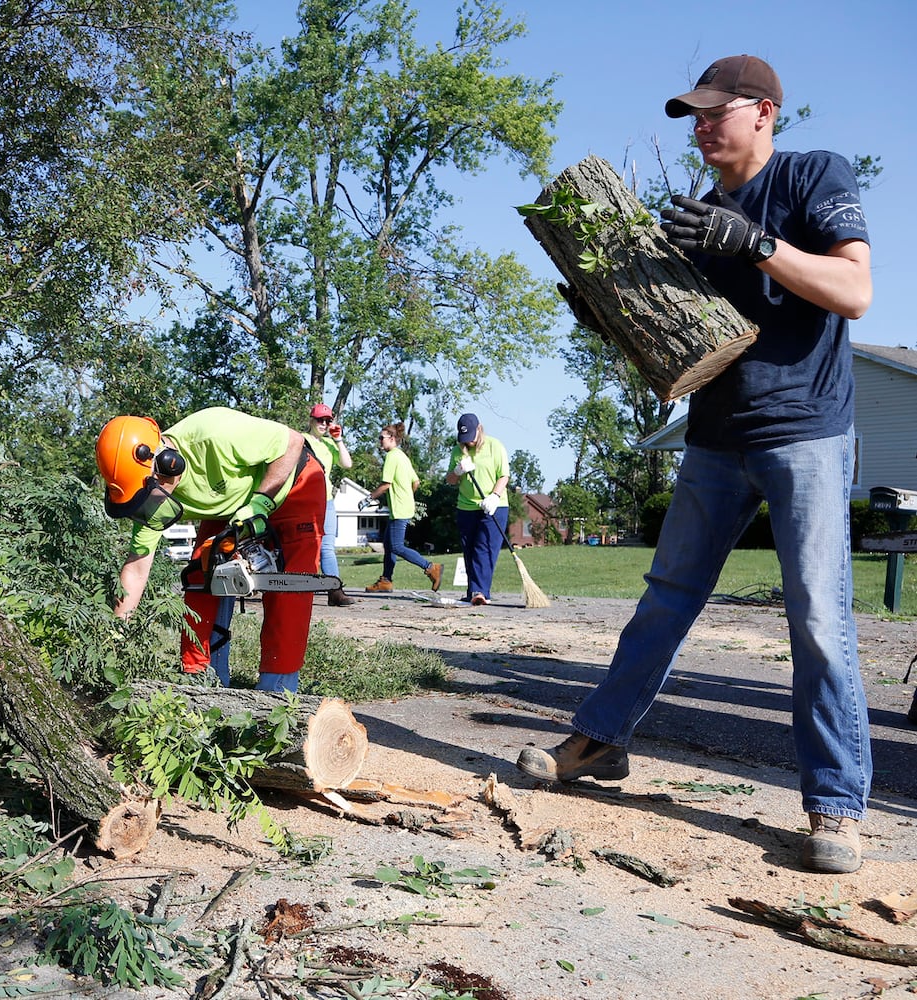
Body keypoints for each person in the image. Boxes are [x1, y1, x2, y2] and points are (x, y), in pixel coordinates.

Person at [516, 55, 872, 875]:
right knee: (665, 598)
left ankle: (836, 803)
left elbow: (852, 292)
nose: (702, 126)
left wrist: (755, 243)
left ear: (765, 113)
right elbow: (671, 343)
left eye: (717, 112)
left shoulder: (813, 176)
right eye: (694, 115)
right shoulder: (696, 216)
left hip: (806, 431)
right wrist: (604, 306)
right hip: (713, 437)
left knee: (818, 618)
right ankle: (600, 742)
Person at [98, 407, 325, 693]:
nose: (156, 499)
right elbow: (137, 565)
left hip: (293, 482)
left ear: (168, 462)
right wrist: (115, 633)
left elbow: (291, 442)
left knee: (290, 589)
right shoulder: (154, 499)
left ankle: (277, 689)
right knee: (199, 576)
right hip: (230, 506)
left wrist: (260, 504)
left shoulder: (215, 433)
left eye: (151, 491)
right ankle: (201, 676)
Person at [365, 422, 442, 594]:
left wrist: (368, 498)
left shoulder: (392, 456)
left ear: (392, 439)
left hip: (399, 509)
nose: (379, 442)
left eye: (381, 438)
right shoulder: (403, 457)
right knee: (389, 544)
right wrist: (407, 495)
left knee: (397, 546)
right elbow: (416, 482)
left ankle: (431, 567)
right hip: (404, 506)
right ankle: (386, 581)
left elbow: (386, 484)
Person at [443, 413, 507, 606]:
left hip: (494, 506)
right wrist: (458, 471)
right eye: (464, 438)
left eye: (471, 436)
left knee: (484, 548)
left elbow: (504, 476)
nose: (469, 442)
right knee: (469, 550)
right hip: (466, 506)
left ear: (479, 429)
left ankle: (480, 591)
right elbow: (450, 481)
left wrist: (494, 496)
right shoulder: (458, 451)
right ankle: (474, 591)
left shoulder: (495, 446)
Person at [305, 403, 355, 607]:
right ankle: (294, 588)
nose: (324, 424)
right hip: (305, 501)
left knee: (327, 548)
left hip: (326, 501)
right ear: (311, 420)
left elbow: (347, 464)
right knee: (304, 546)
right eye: (320, 420)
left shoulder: (329, 444)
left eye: (328, 420)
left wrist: (338, 439)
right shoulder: (302, 440)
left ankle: (335, 591)